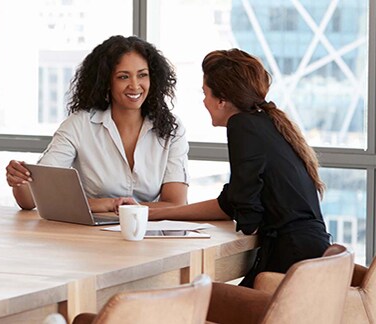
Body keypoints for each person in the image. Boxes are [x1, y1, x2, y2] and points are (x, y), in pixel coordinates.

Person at [135, 48, 331, 288]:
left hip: (291, 259)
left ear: (221, 101)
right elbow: (231, 203)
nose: (203, 101)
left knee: (199, 297)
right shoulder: (265, 122)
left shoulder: (242, 125)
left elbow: (245, 212)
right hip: (308, 254)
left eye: (205, 93)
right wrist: (155, 212)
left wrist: (241, 208)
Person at [5, 35, 189, 212]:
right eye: (123, 77)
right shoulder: (79, 125)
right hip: (90, 236)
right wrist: (19, 179)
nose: (135, 85)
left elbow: (175, 204)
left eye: (142, 75)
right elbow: (30, 200)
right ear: (106, 82)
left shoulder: (171, 129)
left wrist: (113, 207)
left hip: (151, 235)